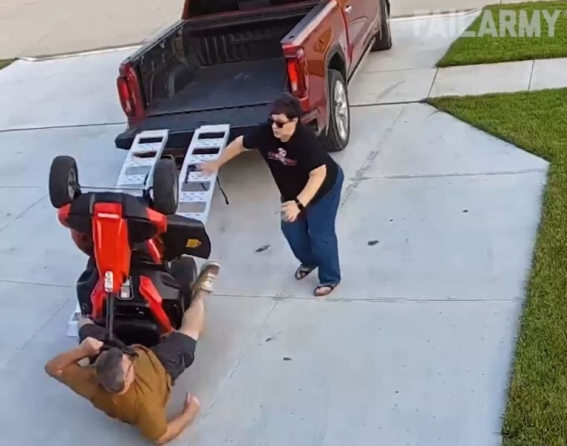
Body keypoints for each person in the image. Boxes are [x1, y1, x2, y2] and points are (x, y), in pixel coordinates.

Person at [45, 261, 221, 445]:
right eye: (128, 361)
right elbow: (160, 437)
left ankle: (87, 311)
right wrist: (189, 413)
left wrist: (83, 350)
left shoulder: (90, 382)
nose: (129, 354)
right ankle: (201, 293)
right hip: (159, 366)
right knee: (192, 330)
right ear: (128, 380)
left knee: (85, 326)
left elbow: (52, 368)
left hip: (114, 364)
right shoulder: (145, 407)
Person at [200, 93, 344, 297]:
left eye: (280, 123)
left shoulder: (305, 141)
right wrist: (216, 163)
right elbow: (240, 144)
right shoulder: (266, 133)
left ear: (295, 121)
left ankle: (330, 278)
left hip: (323, 189)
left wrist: (299, 204)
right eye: (272, 121)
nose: (274, 127)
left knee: (320, 234)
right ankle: (310, 261)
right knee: (292, 231)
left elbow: (319, 174)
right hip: (291, 192)